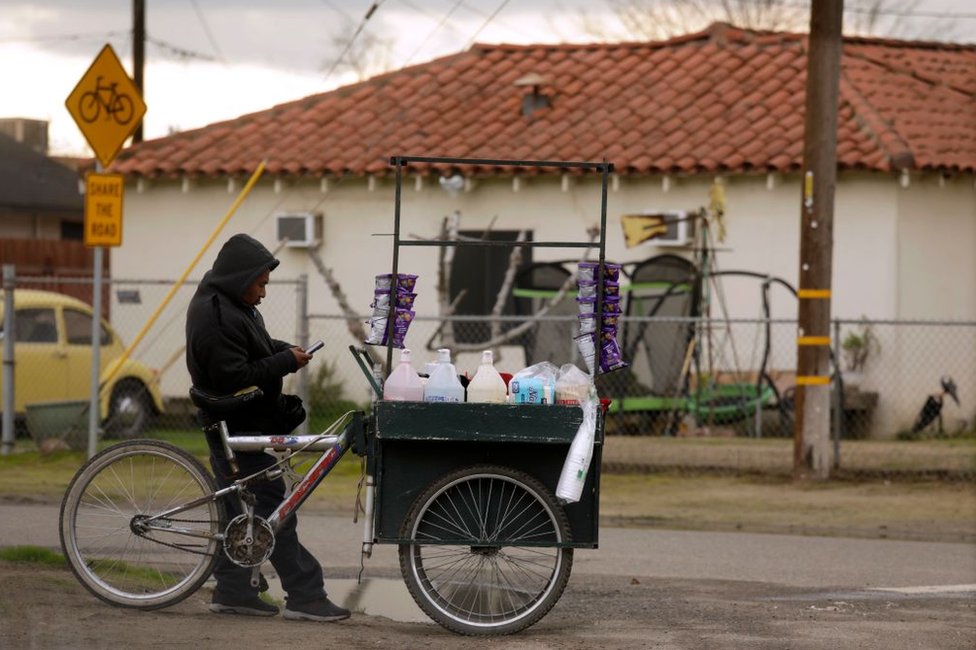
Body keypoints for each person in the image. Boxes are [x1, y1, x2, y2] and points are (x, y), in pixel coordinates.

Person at [185, 233, 350, 622]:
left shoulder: (231, 304)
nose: (262, 293)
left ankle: (234, 592)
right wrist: (285, 362)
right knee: (274, 509)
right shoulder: (215, 316)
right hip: (235, 428)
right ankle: (306, 595)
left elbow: (255, 346)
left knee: (242, 511)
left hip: (243, 426)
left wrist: (284, 350)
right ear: (241, 278)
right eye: (259, 284)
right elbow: (235, 375)